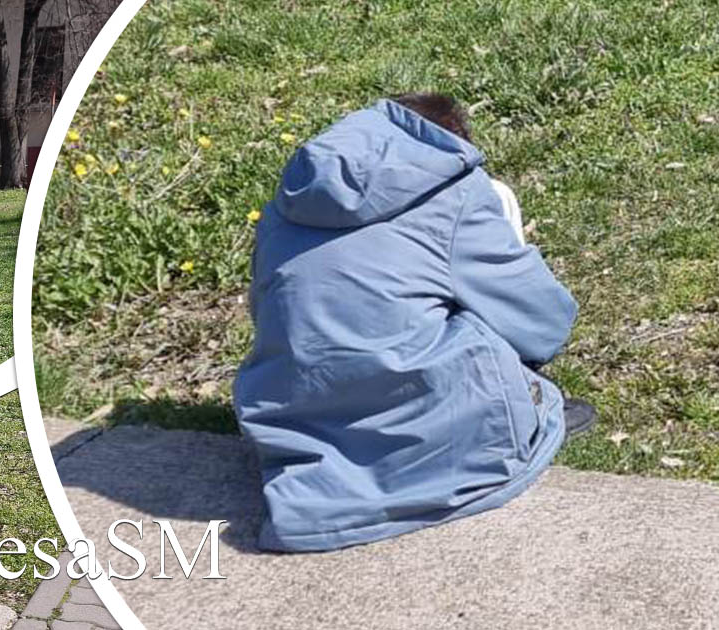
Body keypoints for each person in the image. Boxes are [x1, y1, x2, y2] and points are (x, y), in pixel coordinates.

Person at [233, 94, 592, 553]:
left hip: (293, 415)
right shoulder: (455, 190)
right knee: (501, 336)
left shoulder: (286, 203)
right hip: (417, 419)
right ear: (451, 144)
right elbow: (541, 323)